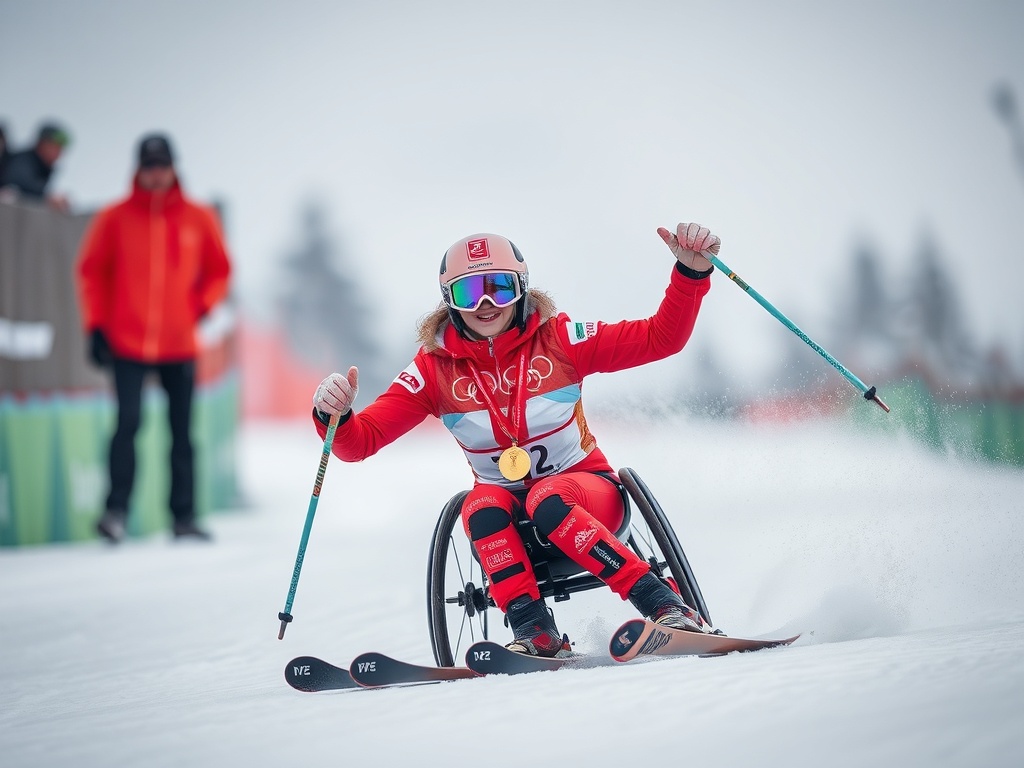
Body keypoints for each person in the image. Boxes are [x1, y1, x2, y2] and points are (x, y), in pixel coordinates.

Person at [311, 223, 720, 656]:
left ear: (521, 288)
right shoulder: (433, 369)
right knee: (479, 505)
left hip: (589, 496)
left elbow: (661, 337)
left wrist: (690, 273)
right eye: (469, 293)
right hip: (509, 517)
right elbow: (359, 442)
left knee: (547, 497)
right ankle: (535, 632)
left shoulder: (560, 339)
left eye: (500, 288)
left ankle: (665, 605)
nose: (485, 304)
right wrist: (333, 415)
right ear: (449, 300)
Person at [77, 133, 232, 543]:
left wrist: (200, 306)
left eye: (162, 165)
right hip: (126, 341)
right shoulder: (114, 217)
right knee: (127, 422)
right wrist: (95, 325)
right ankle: (115, 512)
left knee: (182, 430)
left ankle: (184, 516)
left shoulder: (198, 217)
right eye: (149, 166)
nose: (157, 174)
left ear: (173, 167)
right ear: (138, 169)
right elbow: (92, 271)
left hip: (179, 343)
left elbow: (220, 270)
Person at [0, 121, 71, 211]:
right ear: (41, 144)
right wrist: (47, 199)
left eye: (60, 148)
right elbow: (18, 185)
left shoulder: (44, 168)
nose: (58, 153)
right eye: (54, 147)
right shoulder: (23, 160)